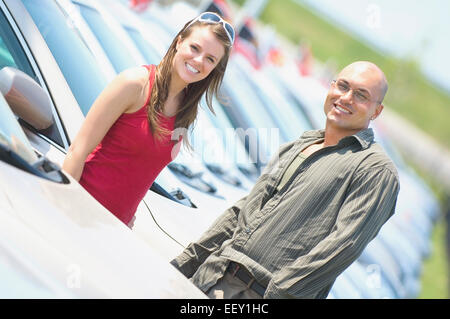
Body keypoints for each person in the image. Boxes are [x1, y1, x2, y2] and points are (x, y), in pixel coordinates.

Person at [171, 61, 400, 299]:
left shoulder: (376, 170)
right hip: (212, 278)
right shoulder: (297, 145)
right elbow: (243, 211)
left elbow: (342, 246)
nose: (346, 98)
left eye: (361, 95)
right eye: (342, 86)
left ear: (376, 111)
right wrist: (185, 263)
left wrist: (277, 294)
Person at [62, 12, 235, 228]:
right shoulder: (134, 84)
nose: (199, 61)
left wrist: (127, 218)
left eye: (210, 59)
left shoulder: (186, 110)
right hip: (77, 213)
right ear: (179, 42)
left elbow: (140, 171)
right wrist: (63, 212)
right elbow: (77, 151)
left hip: (112, 230)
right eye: (195, 48)